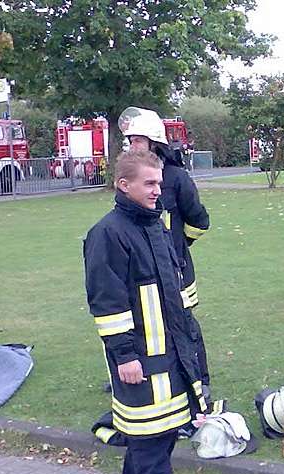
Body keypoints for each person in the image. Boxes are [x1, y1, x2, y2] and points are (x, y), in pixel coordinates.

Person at [83, 150, 208, 474]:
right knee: (149, 452)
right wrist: (125, 355)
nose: (157, 190)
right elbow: (108, 302)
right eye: (149, 183)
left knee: (155, 447)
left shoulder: (156, 225)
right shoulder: (108, 234)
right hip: (140, 364)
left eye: (159, 183)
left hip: (170, 359)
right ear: (123, 185)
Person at [119, 107, 212, 394]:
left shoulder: (176, 177)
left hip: (177, 270)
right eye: (130, 140)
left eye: (138, 140)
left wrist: (178, 247)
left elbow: (199, 221)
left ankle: (200, 380)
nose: (132, 145)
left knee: (185, 324)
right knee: (144, 324)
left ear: (153, 140)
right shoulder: (130, 178)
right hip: (142, 270)